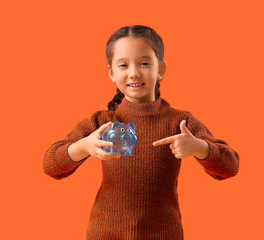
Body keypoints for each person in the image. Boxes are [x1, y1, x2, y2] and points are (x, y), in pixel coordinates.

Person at [43, 25, 239, 240]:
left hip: (164, 234)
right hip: (105, 234)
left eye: (145, 63)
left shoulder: (181, 121)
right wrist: (82, 147)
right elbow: (50, 163)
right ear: (111, 72)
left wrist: (201, 148)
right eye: (123, 65)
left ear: (160, 69)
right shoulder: (101, 121)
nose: (134, 72)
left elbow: (231, 165)